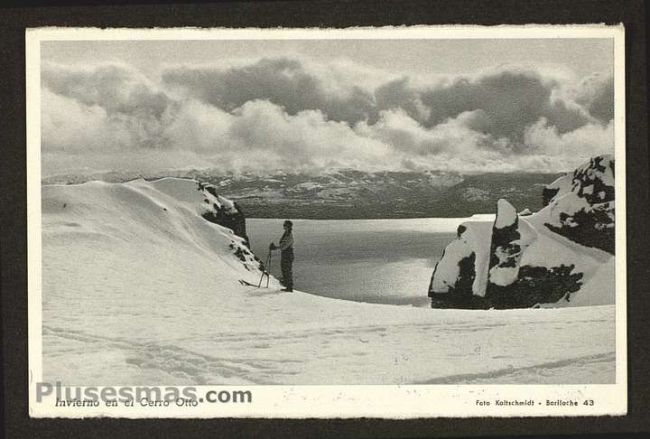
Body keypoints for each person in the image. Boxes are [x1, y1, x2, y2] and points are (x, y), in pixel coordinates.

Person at [270, 220, 294, 292]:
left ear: (288, 227)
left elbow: (284, 246)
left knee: (287, 270)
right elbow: (283, 245)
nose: (284, 227)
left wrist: (275, 247)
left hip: (288, 254)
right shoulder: (286, 233)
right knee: (284, 269)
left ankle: (289, 287)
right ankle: (287, 285)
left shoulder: (289, 235)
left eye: (285, 225)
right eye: (284, 225)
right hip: (285, 254)